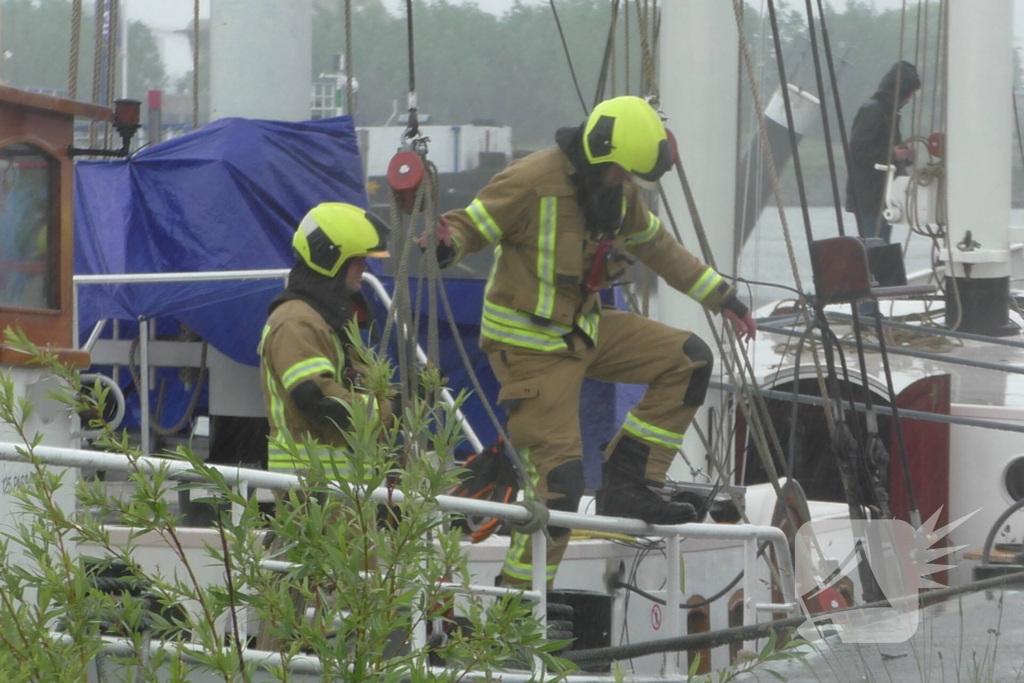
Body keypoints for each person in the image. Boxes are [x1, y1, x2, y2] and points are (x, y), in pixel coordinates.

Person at [422, 95, 757, 587]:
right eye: (620, 172)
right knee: (559, 485)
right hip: (531, 349)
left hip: (583, 329)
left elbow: (657, 247)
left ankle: (628, 483)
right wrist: (443, 243)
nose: (623, 182)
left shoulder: (617, 191)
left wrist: (724, 298)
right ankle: (516, 606)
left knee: (687, 360)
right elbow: (470, 227)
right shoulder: (533, 179)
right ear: (599, 154)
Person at [259, 201, 392, 475]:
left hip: (347, 486)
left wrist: (409, 396)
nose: (364, 267)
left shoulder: (329, 319)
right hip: (312, 487)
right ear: (330, 259)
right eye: (357, 259)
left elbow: (355, 386)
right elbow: (318, 399)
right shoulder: (295, 322)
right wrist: (389, 410)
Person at [845, 60, 922, 244]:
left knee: (880, 244)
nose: (909, 100)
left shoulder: (889, 113)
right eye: (909, 94)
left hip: (883, 195)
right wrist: (892, 154)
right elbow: (857, 150)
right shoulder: (873, 111)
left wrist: (904, 155)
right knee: (875, 244)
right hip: (869, 196)